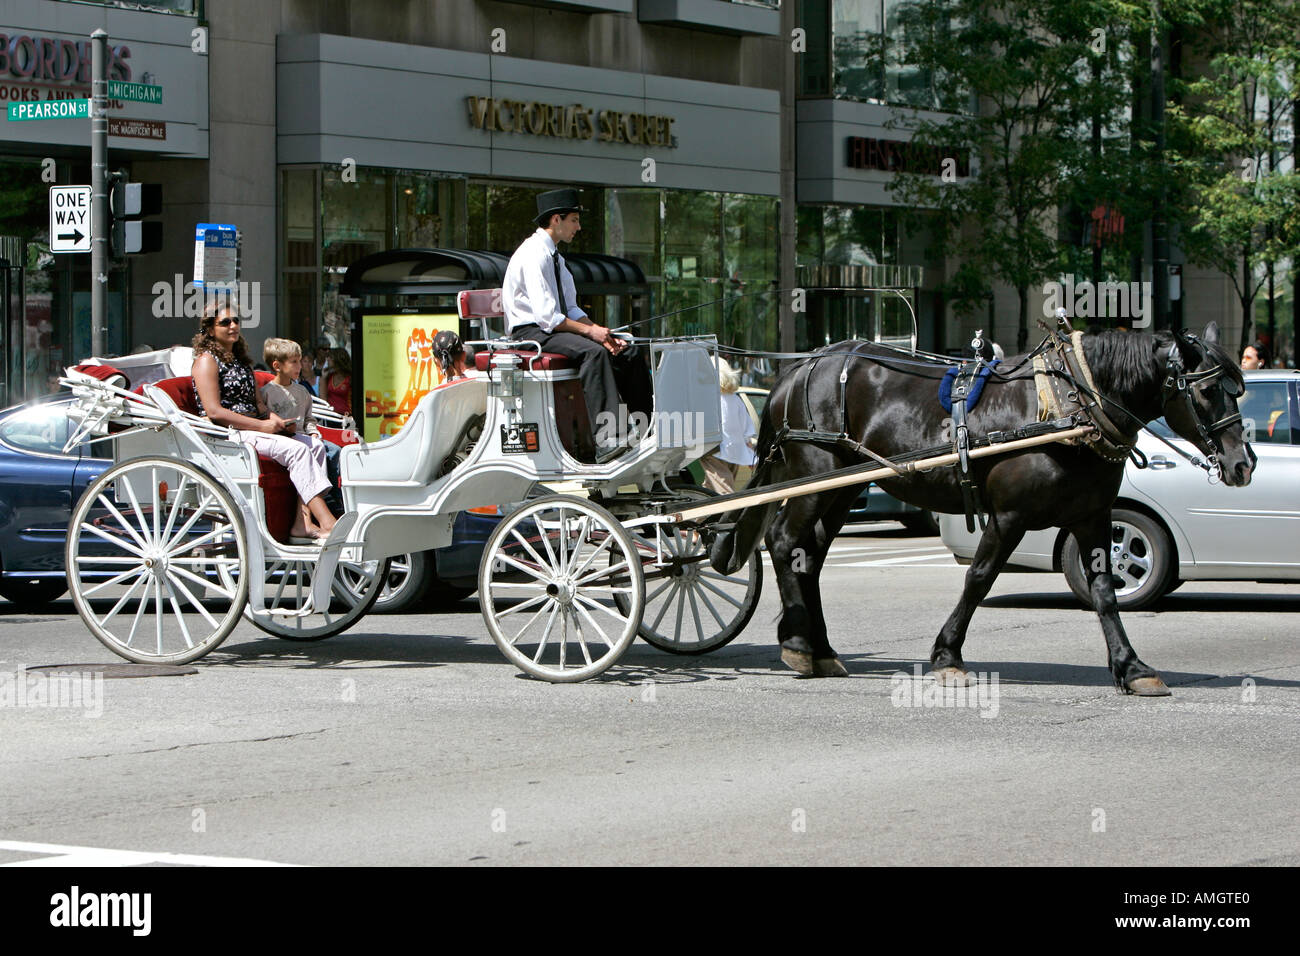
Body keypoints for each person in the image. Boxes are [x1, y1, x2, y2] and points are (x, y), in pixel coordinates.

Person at [502, 187, 651, 461]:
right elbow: (548, 317)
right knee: (593, 353)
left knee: (625, 350)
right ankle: (608, 440)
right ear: (556, 219)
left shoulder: (556, 257)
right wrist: (591, 334)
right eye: (574, 220)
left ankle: (647, 427)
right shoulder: (534, 255)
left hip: (551, 328)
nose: (579, 227)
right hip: (531, 333)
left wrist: (602, 333)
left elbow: (570, 308)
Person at [191, 299, 336, 539]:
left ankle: (303, 522)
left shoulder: (241, 362)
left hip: (254, 428)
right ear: (210, 329)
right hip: (229, 433)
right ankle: (327, 520)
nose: (233, 326)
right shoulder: (206, 361)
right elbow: (214, 412)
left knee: (316, 446)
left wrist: (276, 420)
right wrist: (262, 425)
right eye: (225, 322)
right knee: (298, 451)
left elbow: (259, 405)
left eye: (236, 320)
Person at [260, 337, 343, 532]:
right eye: (294, 361)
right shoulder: (267, 392)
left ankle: (317, 513)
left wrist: (313, 433)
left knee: (323, 448)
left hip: (301, 437)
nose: (299, 366)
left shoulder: (302, 392)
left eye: (299, 361)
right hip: (280, 441)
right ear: (277, 366)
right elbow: (264, 420)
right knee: (313, 449)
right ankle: (322, 514)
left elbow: (309, 419)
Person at [700, 357, 757, 495]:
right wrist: (751, 456)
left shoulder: (707, 398)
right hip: (735, 451)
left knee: (724, 494)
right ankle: (701, 517)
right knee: (711, 489)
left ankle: (733, 516)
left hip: (714, 452)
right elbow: (746, 431)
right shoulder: (735, 399)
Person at [323, 347, 352, 416]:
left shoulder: (350, 378)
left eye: (330, 357)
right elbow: (323, 398)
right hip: (331, 416)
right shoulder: (329, 376)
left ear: (337, 360)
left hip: (346, 417)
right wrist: (323, 378)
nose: (328, 359)